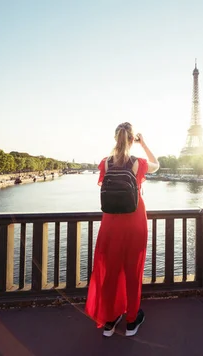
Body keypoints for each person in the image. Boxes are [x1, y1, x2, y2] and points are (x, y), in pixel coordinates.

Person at [85, 122, 160, 337]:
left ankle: (109, 320)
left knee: (110, 270)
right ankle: (131, 320)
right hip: (135, 220)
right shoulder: (138, 163)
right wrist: (143, 143)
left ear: (115, 138)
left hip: (111, 222)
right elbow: (157, 164)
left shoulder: (105, 163)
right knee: (132, 270)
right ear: (131, 139)